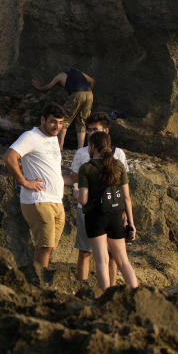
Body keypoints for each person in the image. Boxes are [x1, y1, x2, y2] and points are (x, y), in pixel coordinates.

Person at [3, 103, 66, 272]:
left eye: (60, 123)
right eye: (53, 122)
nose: (57, 127)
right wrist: (24, 181)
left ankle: (34, 278)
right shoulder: (30, 136)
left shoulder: (53, 138)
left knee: (47, 247)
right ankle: (40, 284)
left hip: (56, 201)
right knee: (45, 247)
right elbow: (10, 157)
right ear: (43, 119)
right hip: (39, 200)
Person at [66, 113, 128, 285]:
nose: (91, 133)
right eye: (89, 130)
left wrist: (124, 213)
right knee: (85, 252)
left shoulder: (119, 154)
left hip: (112, 210)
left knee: (112, 256)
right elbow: (73, 179)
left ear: (106, 131)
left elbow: (122, 188)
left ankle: (112, 288)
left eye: (95, 129)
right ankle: (84, 287)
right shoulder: (81, 153)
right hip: (86, 211)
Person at [76, 131, 139, 290]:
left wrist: (76, 192)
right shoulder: (118, 165)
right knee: (123, 261)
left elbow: (83, 199)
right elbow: (126, 197)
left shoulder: (87, 168)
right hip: (116, 217)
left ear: (91, 146)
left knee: (101, 262)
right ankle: (137, 293)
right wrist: (131, 223)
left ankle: (106, 299)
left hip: (95, 218)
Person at [32, 69, 95, 149]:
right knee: (82, 122)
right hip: (89, 94)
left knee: (64, 120)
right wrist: (89, 93)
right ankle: (80, 149)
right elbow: (92, 81)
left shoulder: (60, 76)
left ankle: (60, 146)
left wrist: (39, 87)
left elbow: (47, 88)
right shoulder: (80, 73)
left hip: (77, 94)